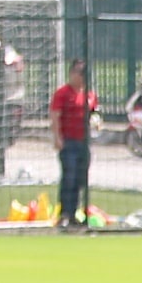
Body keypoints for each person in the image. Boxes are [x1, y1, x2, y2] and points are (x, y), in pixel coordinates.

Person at [52, 60, 96, 227]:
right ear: (72, 74)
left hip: (83, 142)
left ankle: (75, 214)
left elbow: (94, 114)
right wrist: (57, 137)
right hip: (68, 142)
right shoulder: (62, 93)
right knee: (68, 178)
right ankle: (64, 213)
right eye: (79, 73)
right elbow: (55, 115)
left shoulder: (89, 95)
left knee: (79, 179)